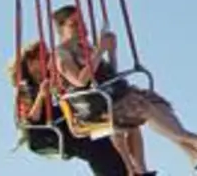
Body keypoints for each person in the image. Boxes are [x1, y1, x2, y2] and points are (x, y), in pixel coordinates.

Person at [49, 5, 197, 173]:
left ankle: (190, 150)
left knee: (155, 102)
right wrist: (100, 50)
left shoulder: (86, 47)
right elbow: (80, 80)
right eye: (74, 24)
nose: (82, 28)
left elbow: (109, 74)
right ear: (61, 29)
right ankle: (190, 139)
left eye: (82, 22)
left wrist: (111, 51)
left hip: (112, 98)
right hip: (94, 109)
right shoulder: (61, 54)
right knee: (141, 107)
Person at [9, 41, 130, 175]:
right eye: (42, 57)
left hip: (61, 125)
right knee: (94, 145)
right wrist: (42, 95)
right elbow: (31, 119)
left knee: (106, 135)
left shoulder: (52, 78)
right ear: (30, 64)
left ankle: (130, 170)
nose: (48, 60)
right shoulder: (26, 88)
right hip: (43, 133)